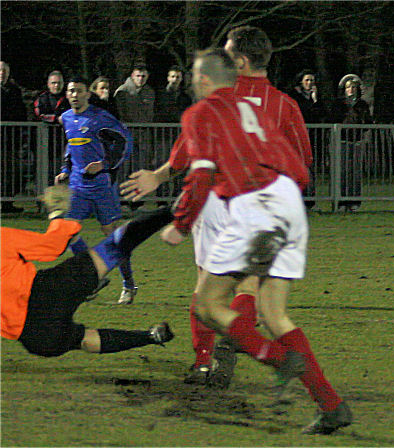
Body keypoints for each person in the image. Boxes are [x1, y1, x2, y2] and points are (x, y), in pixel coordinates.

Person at [159, 48, 351, 435]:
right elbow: (299, 168)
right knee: (275, 315)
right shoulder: (258, 112)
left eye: (197, 74)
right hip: (287, 205)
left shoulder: (202, 114)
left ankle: (275, 358)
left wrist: (180, 226)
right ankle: (331, 406)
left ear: (207, 80)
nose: (193, 80)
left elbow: (198, 177)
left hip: (252, 210)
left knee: (207, 305)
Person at [119, 26, 313, 393]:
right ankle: (234, 342)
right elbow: (303, 160)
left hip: (215, 201)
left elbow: (186, 148)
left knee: (206, 285)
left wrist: (160, 177)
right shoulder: (284, 104)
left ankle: (205, 360)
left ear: (239, 61)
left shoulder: (221, 98)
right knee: (250, 287)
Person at [1, 184, 175, 358]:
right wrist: (56, 212)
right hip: (48, 291)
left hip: (32, 334)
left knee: (84, 340)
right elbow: (52, 247)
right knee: (112, 247)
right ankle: (175, 210)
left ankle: (150, 336)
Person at [54, 77, 137, 305]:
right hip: (78, 186)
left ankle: (129, 284)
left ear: (87, 94)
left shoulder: (100, 118)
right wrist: (65, 169)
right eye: (71, 91)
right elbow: (72, 144)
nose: (74, 95)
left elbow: (125, 141)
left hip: (101, 186)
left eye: (79, 91)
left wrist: (104, 164)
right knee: (67, 231)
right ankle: (93, 278)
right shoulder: (67, 118)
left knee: (113, 235)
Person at [331, 73, 373, 212]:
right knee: (342, 172)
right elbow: (334, 119)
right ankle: (341, 202)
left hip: (356, 141)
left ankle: (354, 202)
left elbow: (368, 121)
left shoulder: (362, 104)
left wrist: (362, 129)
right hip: (342, 141)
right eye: (349, 87)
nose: (351, 90)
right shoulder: (339, 104)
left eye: (354, 87)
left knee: (355, 173)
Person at [288, 69, 327, 209]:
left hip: (312, 138)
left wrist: (315, 100)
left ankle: (310, 201)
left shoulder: (315, 97)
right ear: (301, 81)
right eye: (307, 80)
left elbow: (321, 114)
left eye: (312, 80)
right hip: (297, 138)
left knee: (310, 169)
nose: (309, 83)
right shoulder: (294, 96)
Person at [1, 61, 29, 214]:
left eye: (4, 70)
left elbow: (21, 113)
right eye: (0, 70)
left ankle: (7, 203)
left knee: (11, 172)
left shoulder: (14, 91)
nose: (2, 73)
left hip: (10, 140)